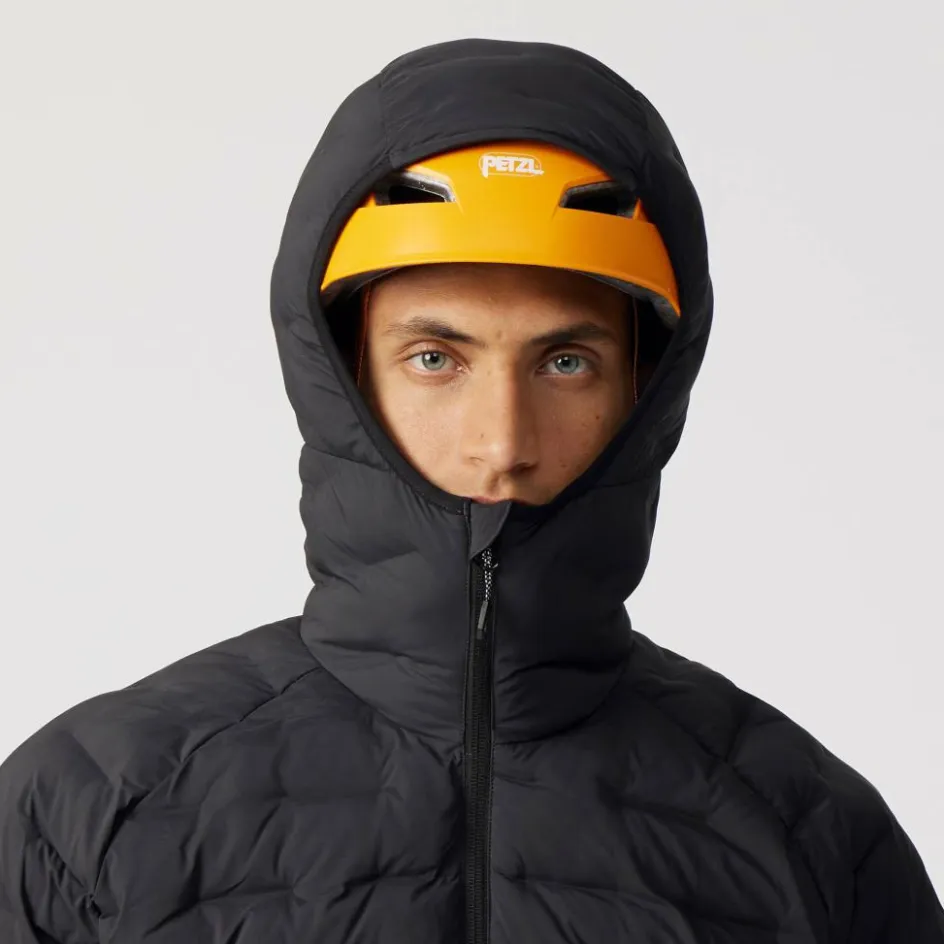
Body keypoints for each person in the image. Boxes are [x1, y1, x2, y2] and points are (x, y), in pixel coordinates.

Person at [0, 36, 941, 944]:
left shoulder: (811, 834)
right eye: (434, 358)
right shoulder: (87, 814)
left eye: (565, 362)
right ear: (342, 378)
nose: (502, 443)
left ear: (645, 389)